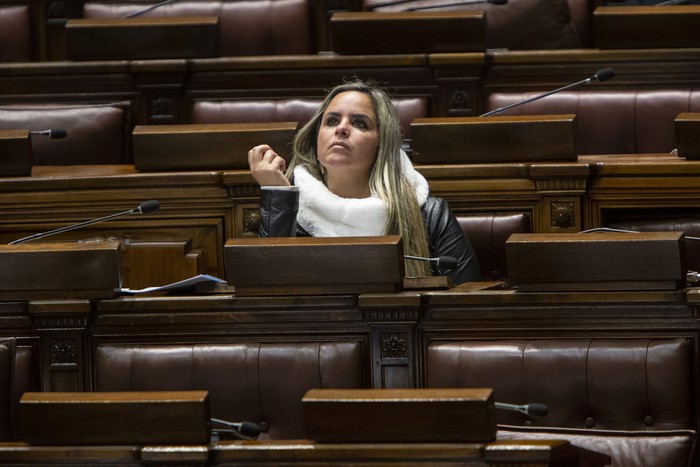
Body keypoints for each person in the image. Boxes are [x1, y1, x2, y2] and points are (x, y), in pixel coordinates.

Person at [247, 80, 482, 284]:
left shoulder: (430, 215)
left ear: (382, 144)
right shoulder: (290, 210)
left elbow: (465, 302)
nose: (341, 129)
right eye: (331, 121)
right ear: (315, 137)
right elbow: (266, 297)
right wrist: (277, 195)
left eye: (359, 123)